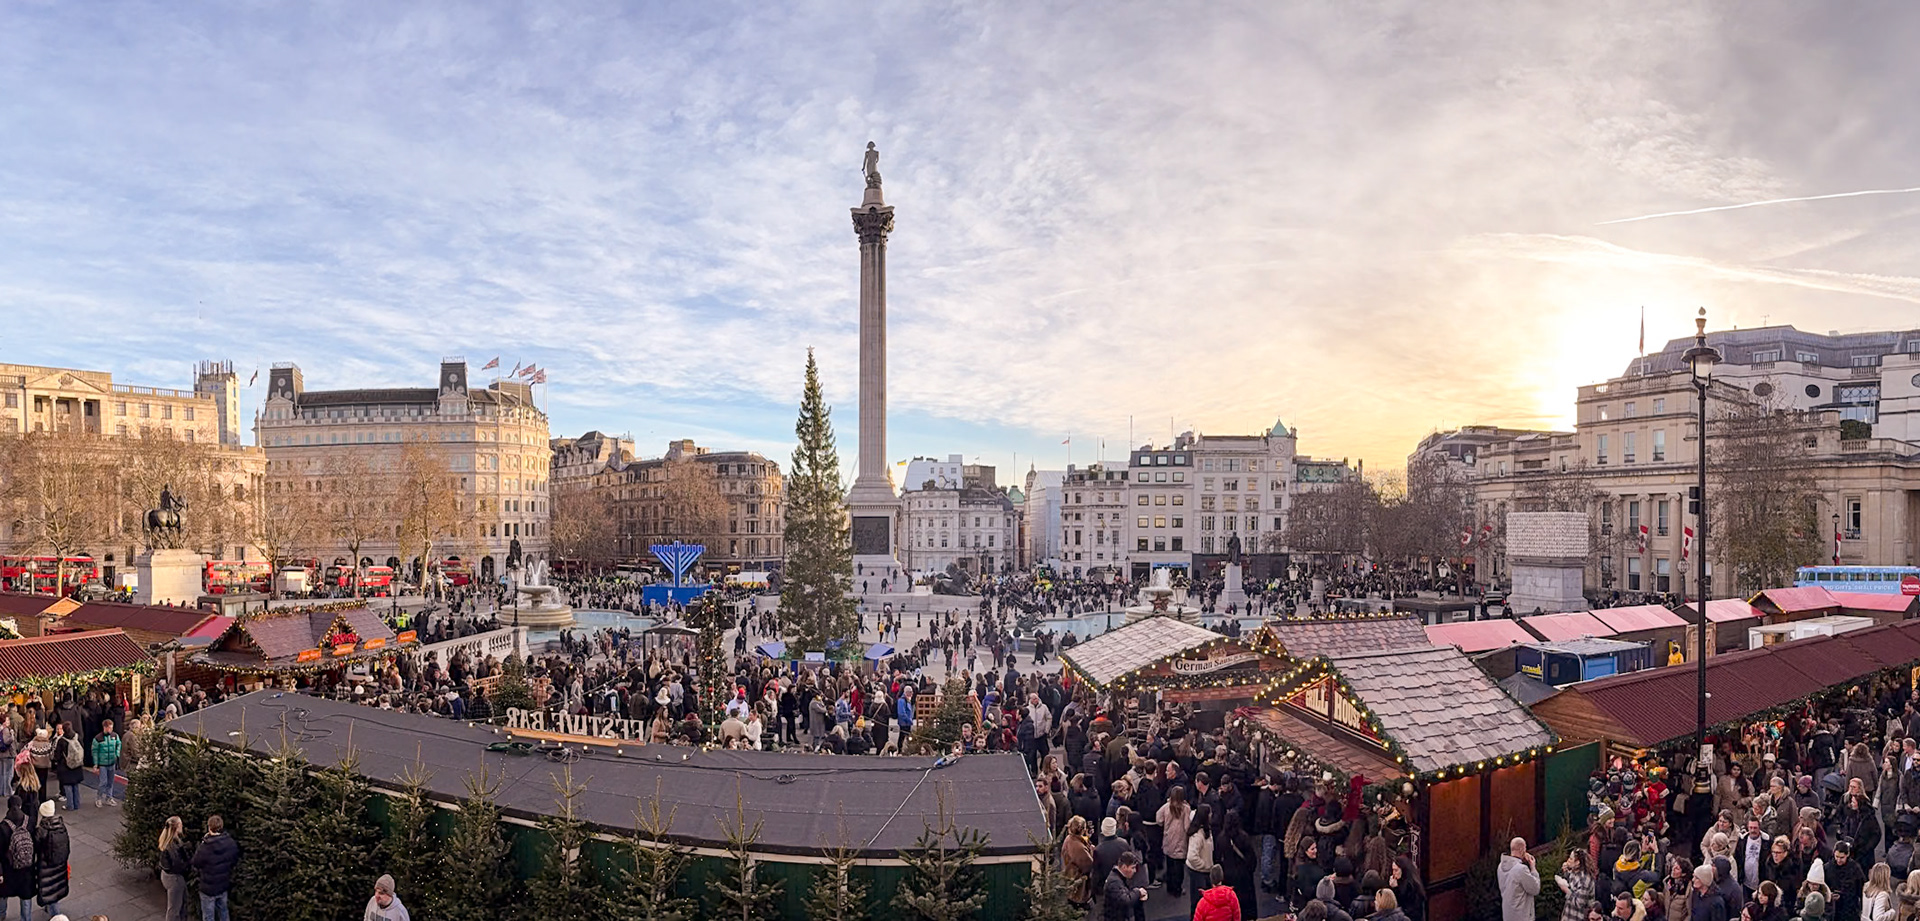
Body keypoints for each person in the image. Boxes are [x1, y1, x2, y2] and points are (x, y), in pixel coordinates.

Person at [191, 814, 240, 921]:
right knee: (223, 912)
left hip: (208, 888)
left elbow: (195, 862)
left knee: (208, 917)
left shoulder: (205, 847)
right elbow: (234, 859)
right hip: (223, 885)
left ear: (209, 827)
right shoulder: (230, 843)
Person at [0, 796, 32, 921]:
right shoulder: (28, 821)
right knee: (25, 895)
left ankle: (2, 915)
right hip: (26, 866)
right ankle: (26, 918)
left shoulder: (3, 826)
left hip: (9, 866)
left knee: (3, 893)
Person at [32, 801, 65, 919]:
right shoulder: (61, 826)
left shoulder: (42, 830)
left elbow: (35, 846)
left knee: (49, 891)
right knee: (55, 888)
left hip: (46, 866)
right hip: (59, 864)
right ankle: (52, 910)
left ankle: (56, 915)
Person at [1158, 785, 1192, 898]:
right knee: (1179, 869)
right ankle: (1177, 889)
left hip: (1168, 840)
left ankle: (1170, 887)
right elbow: (1187, 826)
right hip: (1180, 842)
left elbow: (1158, 819)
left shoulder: (1166, 807)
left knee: (1169, 865)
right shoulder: (1186, 809)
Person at [157, 816, 192, 921]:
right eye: (180, 824)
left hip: (168, 876)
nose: (182, 825)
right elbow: (178, 866)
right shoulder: (172, 846)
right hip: (174, 879)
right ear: (176, 827)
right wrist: (189, 862)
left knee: (181, 904)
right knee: (174, 910)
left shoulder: (171, 841)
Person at [1501, 837, 1541, 921]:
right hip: (1522, 916)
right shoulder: (1521, 869)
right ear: (1522, 849)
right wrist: (1533, 868)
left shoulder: (1501, 866)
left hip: (1508, 915)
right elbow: (1535, 889)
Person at [1189, 804, 1218, 916]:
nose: (1211, 815)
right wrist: (1205, 865)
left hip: (1203, 872)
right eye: (1209, 813)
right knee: (1198, 903)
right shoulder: (1197, 836)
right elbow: (1192, 857)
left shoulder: (1206, 831)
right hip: (1199, 872)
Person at [1101, 850, 1148, 921]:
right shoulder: (1114, 882)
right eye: (1132, 867)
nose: (1135, 871)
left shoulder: (1118, 878)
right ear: (1124, 867)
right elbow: (1125, 901)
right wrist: (1138, 892)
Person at [1062, 816, 1095, 911]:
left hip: (1069, 875)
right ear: (1083, 829)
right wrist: (1092, 851)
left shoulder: (1069, 839)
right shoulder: (1079, 847)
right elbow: (1088, 864)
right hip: (1079, 881)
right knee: (1078, 905)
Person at [1560, 848, 1598, 921]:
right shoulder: (1575, 873)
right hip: (1568, 916)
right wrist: (1565, 872)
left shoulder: (1584, 879)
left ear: (1577, 862)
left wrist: (1566, 890)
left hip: (1578, 917)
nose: (1568, 860)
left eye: (1571, 859)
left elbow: (1579, 903)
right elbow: (1570, 883)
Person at [49, 725, 80, 813]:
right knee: (75, 785)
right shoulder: (76, 737)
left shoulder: (62, 741)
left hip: (65, 766)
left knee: (67, 785)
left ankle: (70, 805)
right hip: (77, 765)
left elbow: (57, 755)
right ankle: (76, 804)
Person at [89, 720, 119, 807]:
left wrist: (117, 754)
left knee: (110, 782)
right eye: (109, 728)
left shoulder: (115, 736)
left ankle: (109, 797)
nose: (110, 729)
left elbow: (118, 744)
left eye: (111, 727)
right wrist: (96, 764)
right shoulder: (98, 738)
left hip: (112, 763)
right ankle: (99, 798)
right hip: (102, 764)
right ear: (104, 728)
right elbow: (94, 752)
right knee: (103, 782)